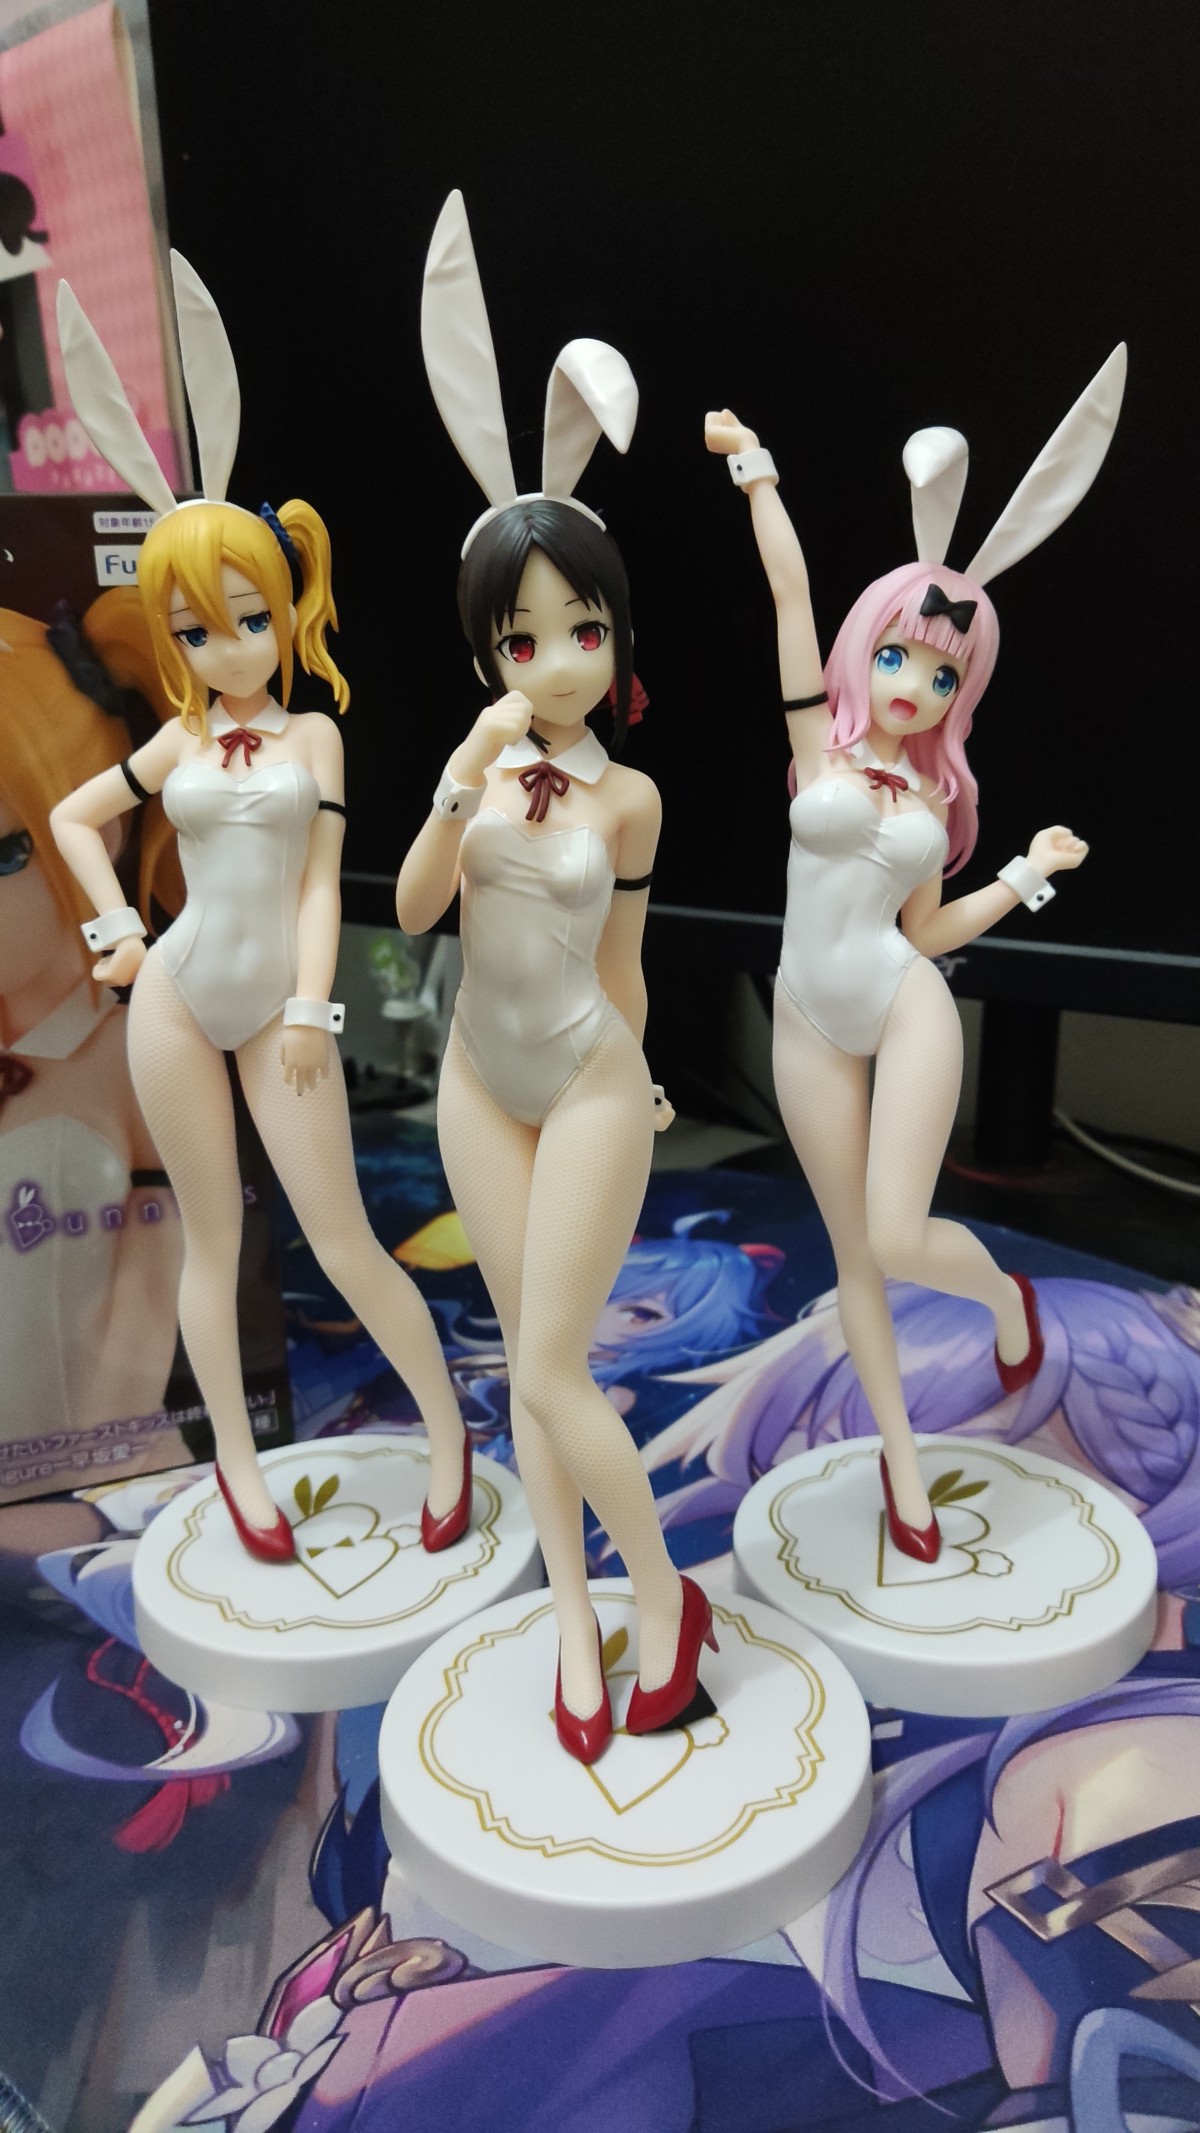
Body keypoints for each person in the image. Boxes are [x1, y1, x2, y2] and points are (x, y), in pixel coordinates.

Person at [48, 254, 468, 1562]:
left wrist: (308, 1007)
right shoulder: (177, 742)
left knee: (343, 1239)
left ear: (286, 610)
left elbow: (320, 884)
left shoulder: (312, 741)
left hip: (284, 1010)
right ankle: (234, 1462)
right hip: (176, 997)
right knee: (210, 1240)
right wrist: (117, 930)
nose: (227, 648)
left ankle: (449, 1436)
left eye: (245, 620)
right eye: (196, 631)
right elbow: (72, 820)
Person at [705, 355, 1124, 1559]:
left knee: (898, 1233)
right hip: (805, 1015)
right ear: (865, 652)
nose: (917, 684)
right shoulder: (820, 749)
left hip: (902, 1001)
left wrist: (1025, 872)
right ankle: (901, 1464)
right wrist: (756, 471)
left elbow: (925, 935)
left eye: (944, 674)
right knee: (855, 1256)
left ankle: (1004, 1299)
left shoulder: (937, 801)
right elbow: (790, 595)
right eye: (899, 657)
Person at [396, 191, 712, 1763]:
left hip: (589, 1076)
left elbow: (627, 964)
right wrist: (462, 773)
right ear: (487, 653)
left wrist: (643, 1082)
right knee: (524, 1359)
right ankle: (574, 1609)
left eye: (583, 628)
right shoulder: (477, 770)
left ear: (616, 633)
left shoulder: (630, 799)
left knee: (551, 1356)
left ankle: (664, 1597)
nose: (560, 660)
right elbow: (415, 908)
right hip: (477, 1075)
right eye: (525, 641)